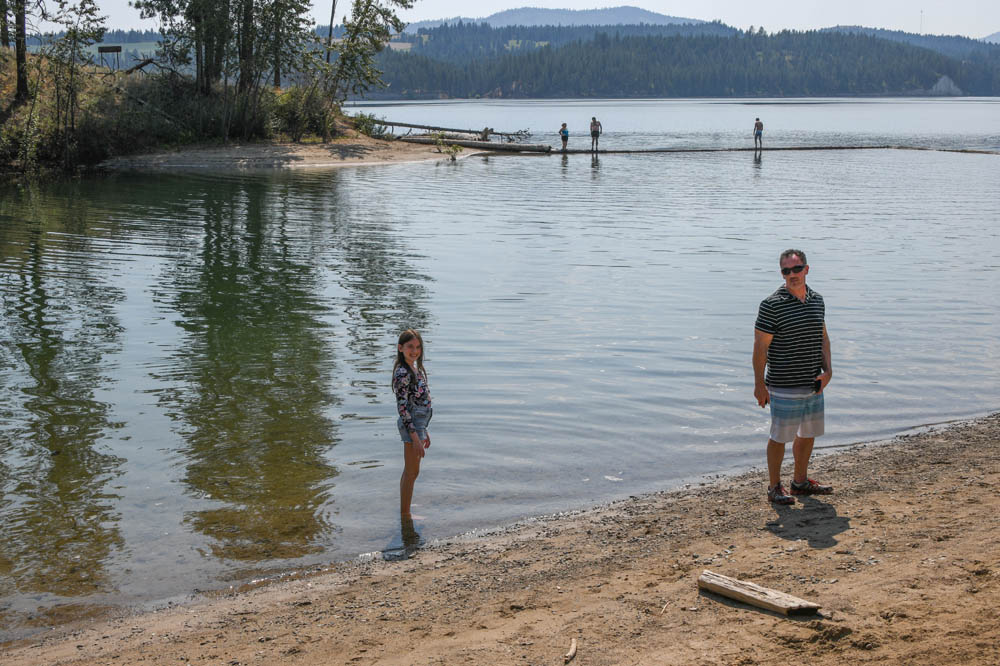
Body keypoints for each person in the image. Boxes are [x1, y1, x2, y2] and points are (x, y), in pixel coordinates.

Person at [753, 249, 833, 505]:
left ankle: (800, 482)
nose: (792, 275)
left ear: (806, 270)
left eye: (796, 269)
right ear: (782, 274)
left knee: (808, 434)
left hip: (813, 383)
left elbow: (823, 337)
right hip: (783, 384)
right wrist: (759, 385)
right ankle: (774, 487)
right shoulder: (771, 304)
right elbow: (760, 348)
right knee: (779, 437)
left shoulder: (817, 300)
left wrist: (828, 371)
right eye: (786, 271)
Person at [393, 329, 432, 517]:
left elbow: (418, 401)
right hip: (411, 426)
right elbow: (403, 408)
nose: (414, 351)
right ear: (400, 348)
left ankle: (405, 509)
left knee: (412, 472)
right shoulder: (402, 373)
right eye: (410, 347)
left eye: (418, 347)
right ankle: (405, 515)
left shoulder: (414, 369)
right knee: (410, 473)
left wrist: (425, 430)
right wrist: (415, 436)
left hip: (418, 425)